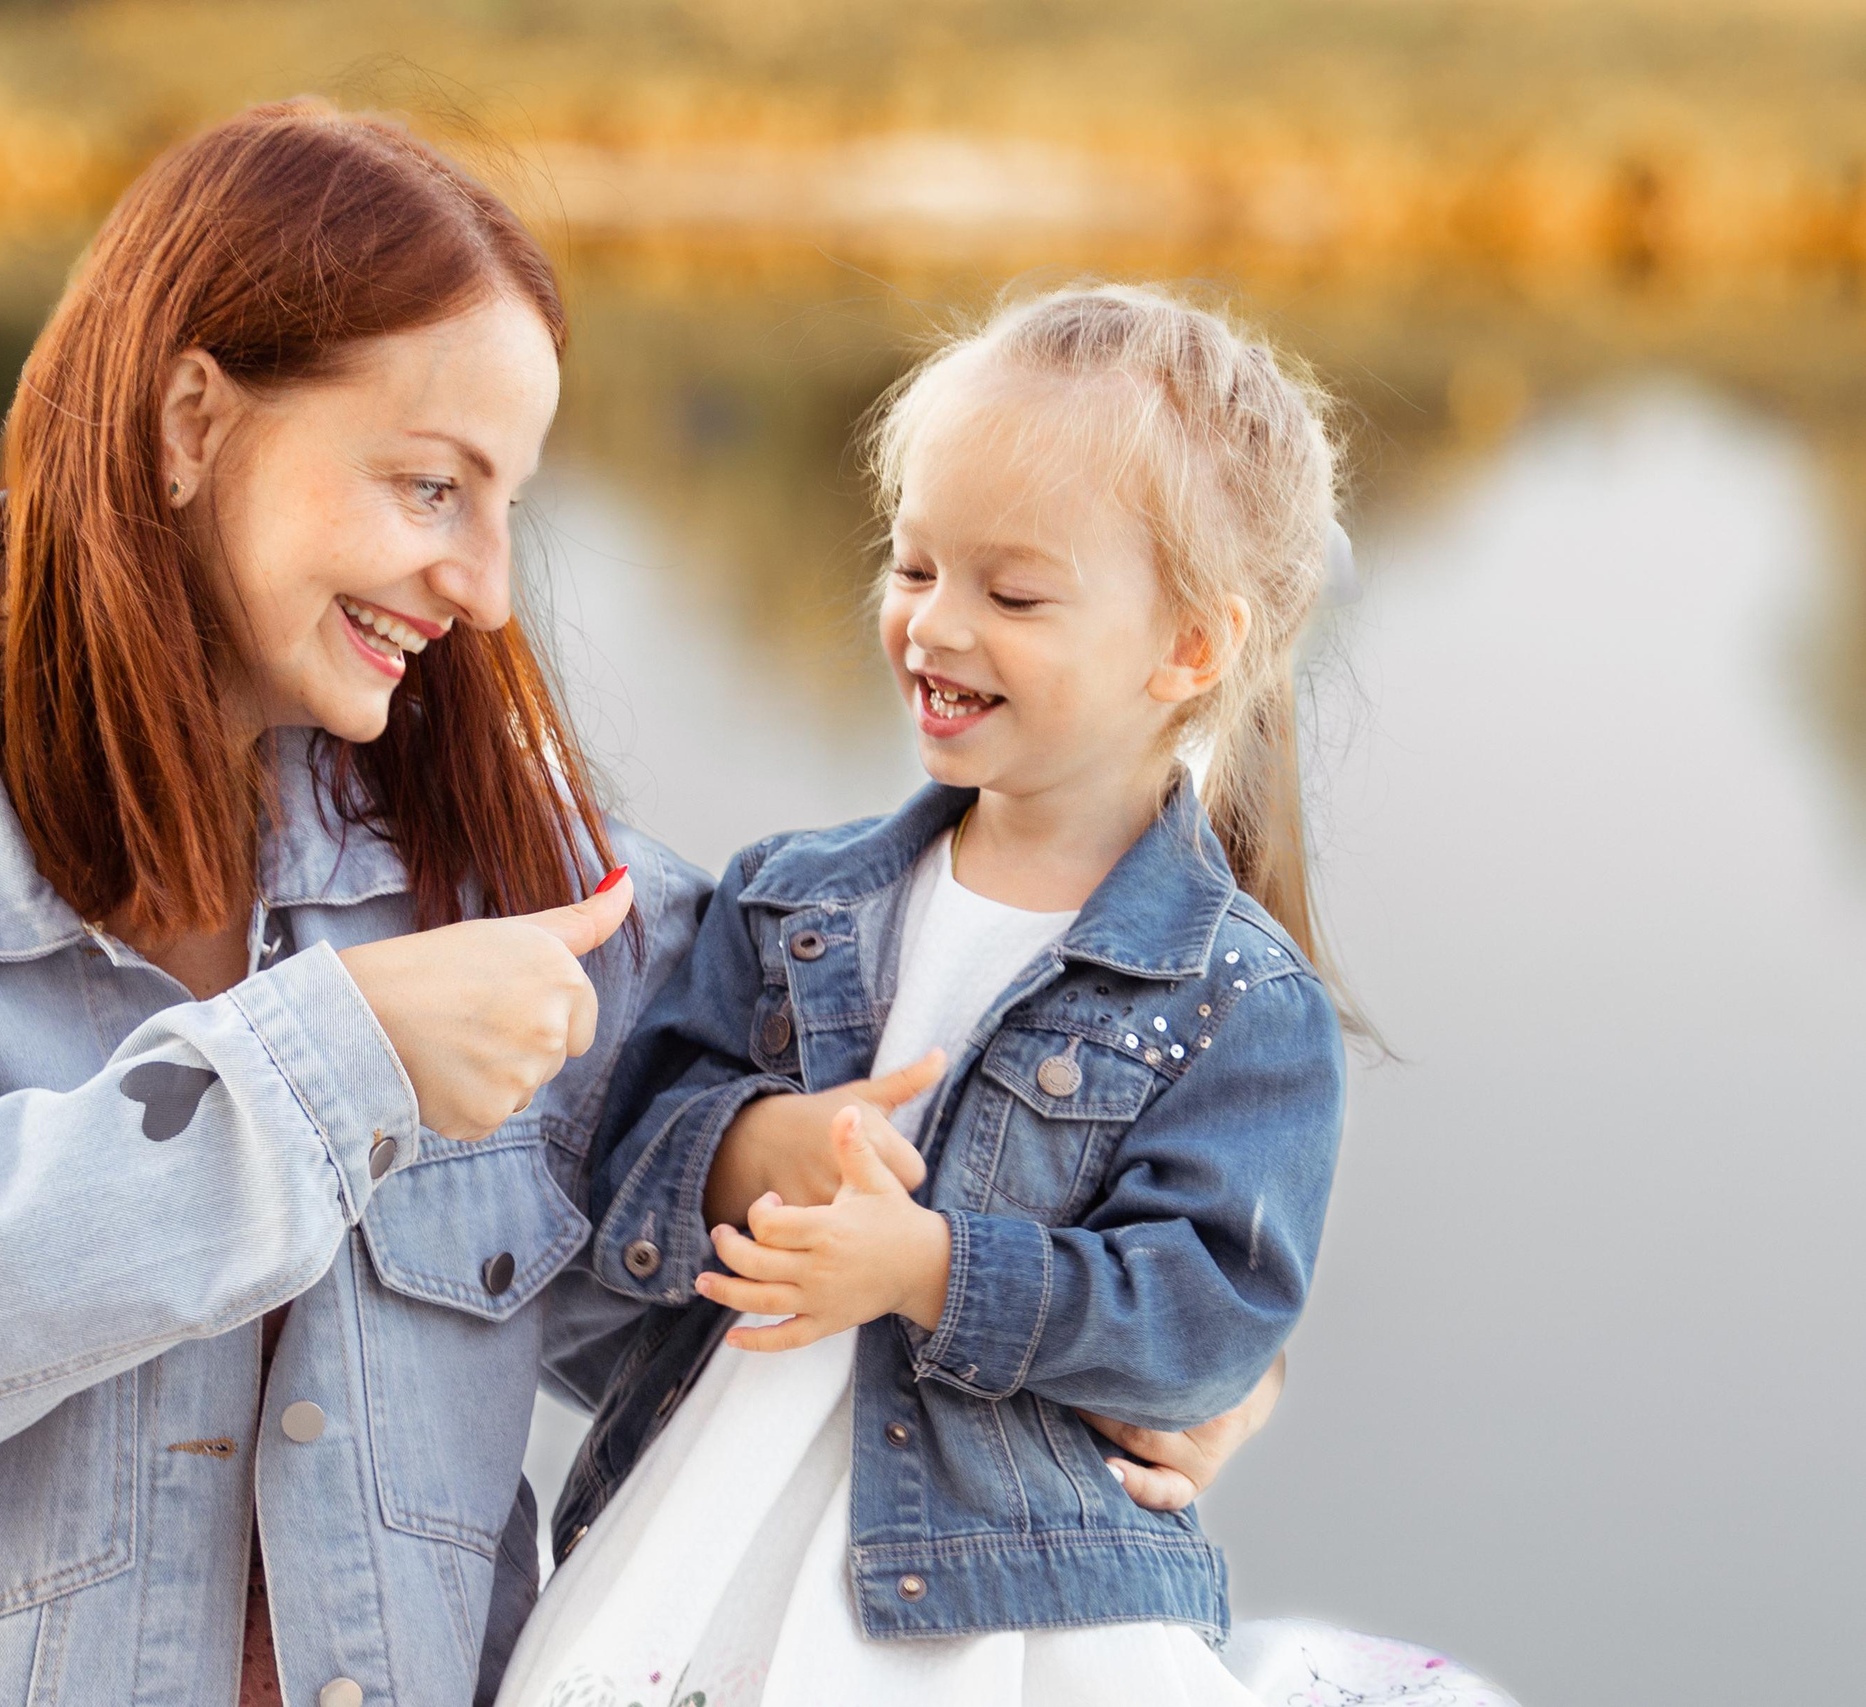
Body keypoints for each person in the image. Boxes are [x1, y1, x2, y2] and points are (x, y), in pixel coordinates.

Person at [0, 102, 1280, 1707]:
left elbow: (741, 1274)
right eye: (429, 487)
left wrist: (1135, 1355)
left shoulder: (502, 839)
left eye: (507, 504)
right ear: (189, 424)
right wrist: (338, 1066)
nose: (481, 587)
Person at [501, 286, 1518, 1707]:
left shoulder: (1233, 997)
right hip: (702, 1528)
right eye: (914, 566)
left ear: (1189, 650)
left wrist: (926, 1270)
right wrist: (745, 1153)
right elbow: (617, 1170)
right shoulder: (792, 900)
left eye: (1013, 592)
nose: (935, 624)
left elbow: (1206, 1322)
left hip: (1008, 1612)